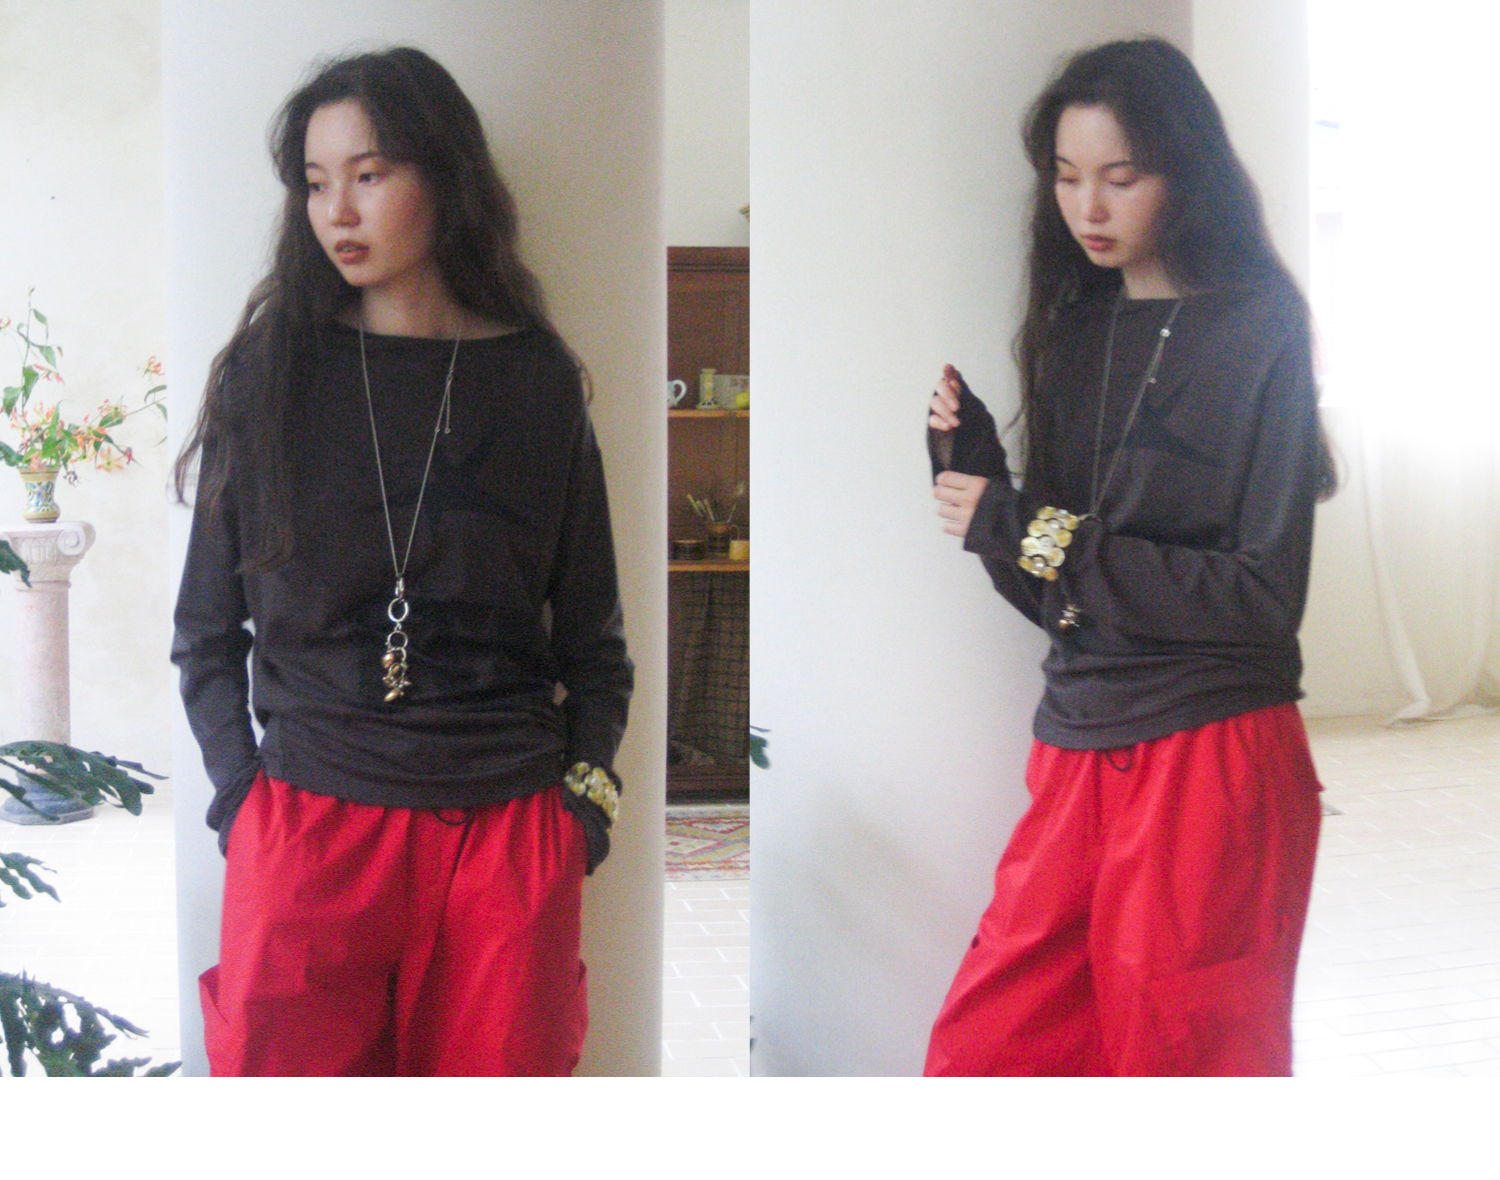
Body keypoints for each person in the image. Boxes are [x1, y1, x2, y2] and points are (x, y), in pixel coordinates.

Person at [171, 47, 633, 1076]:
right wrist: (243, 807)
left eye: (369, 174)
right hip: (307, 831)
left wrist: (583, 816)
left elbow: (595, 642)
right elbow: (204, 631)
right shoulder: (268, 378)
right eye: (315, 182)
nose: (337, 211)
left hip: (507, 837)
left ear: (445, 175)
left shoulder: (536, 383)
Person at [923, 37, 1332, 1076]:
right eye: (1066, 178)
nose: (1088, 208)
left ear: (1184, 172)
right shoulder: (1072, 332)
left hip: (1211, 753)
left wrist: (1029, 528)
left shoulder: (1263, 328)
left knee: (1182, 1067)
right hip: (1076, 747)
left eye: (1120, 176)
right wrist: (985, 499)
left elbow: (1260, 597)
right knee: (986, 1053)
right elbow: (1065, 598)